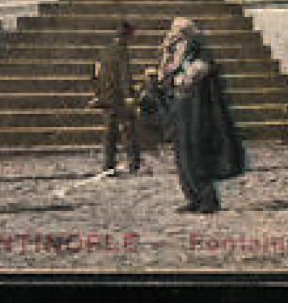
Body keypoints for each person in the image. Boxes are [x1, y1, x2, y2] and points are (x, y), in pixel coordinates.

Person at [158, 18, 246, 213]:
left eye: (178, 30)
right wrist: (166, 54)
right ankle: (192, 197)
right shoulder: (173, 51)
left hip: (198, 108)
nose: (174, 34)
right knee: (182, 154)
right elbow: (164, 77)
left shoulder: (199, 49)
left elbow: (197, 73)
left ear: (187, 33)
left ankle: (207, 199)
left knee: (196, 153)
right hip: (180, 106)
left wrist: (183, 77)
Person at [93, 21, 141, 173]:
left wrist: (97, 93)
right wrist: (129, 95)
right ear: (126, 37)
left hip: (106, 96)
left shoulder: (104, 51)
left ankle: (109, 165)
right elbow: (124, 73)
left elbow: (95, 73)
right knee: (129, 131)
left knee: (109, 133)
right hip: (119, 98)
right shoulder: (123, 51)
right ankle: (133, 165)